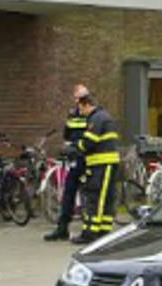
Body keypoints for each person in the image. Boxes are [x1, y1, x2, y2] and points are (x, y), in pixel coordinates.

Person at [44, 84, 90, 242]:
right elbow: (67, 134)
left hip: (89, 158)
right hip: (76, 158)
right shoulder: (73, 113)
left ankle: (90, 229)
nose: (78, 101)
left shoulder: (93, 114)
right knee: (69, 192)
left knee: (89, 193)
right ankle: (62, 228)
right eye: (77, 98)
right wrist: (69, 148)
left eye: (81, 99)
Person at [74, 92, 121, 244]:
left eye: (81, 109)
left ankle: (91, 233)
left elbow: (90, 141)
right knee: (106, 198)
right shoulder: (102, 116)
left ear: (87, 105)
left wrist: (76, 148)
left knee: (96, 197)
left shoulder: (97, 118)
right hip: (104, 163)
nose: (81, 113)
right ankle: (103, 230)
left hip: (102, 164)